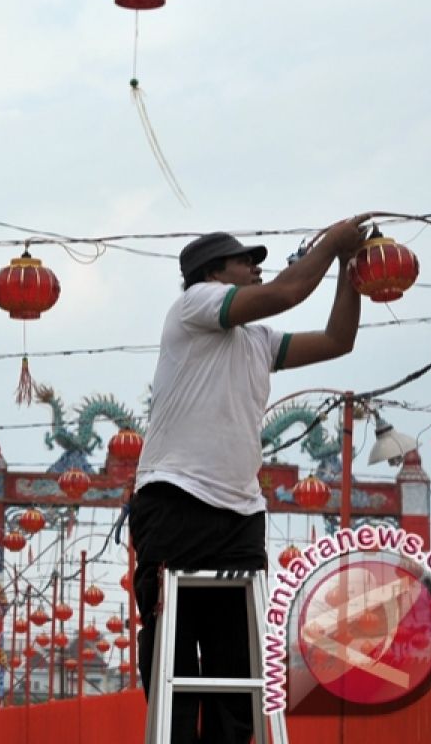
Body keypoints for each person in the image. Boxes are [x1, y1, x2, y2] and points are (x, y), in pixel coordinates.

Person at [131, 217, 369, 743]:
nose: (258, 269)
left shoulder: (258, 341)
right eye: (247, 261)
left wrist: (349, 270)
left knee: (235, 663)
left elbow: (337, 340)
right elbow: (287, 291)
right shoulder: (194, 306)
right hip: (176, 498)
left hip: (240, 512)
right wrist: (333, 242)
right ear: (214, 273)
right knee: (176, 650)